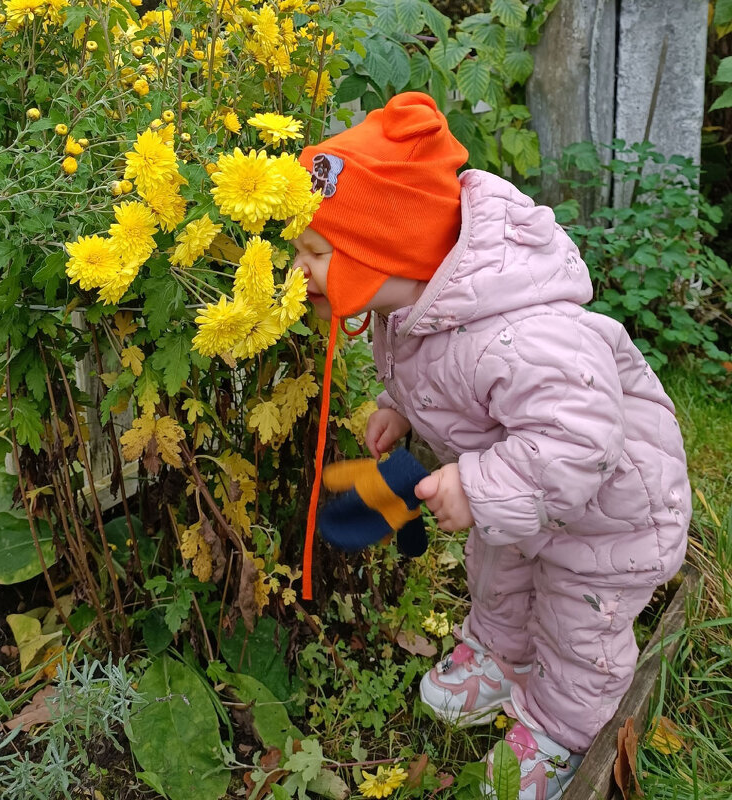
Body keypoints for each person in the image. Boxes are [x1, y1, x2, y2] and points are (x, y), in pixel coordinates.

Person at [293, 92, 690, 800]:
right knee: (498, 574)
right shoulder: (420, 304)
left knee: (579, 633)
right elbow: (435, 372)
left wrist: (475, 486)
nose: (300, 272)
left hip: (610, 516)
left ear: (386, 251)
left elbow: (580, 436)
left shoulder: (527, 336)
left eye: (316, 253)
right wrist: (399, 410)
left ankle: (563, 731)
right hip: (527, 495)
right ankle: (501, 658)